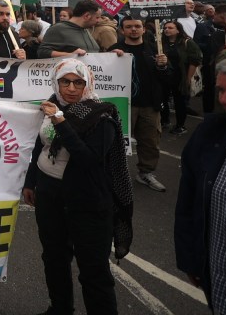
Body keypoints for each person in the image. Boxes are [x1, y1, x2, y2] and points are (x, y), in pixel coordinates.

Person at [22, 59, 133, 315]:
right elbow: (40, 145)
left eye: (78, 82)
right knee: (54, 258)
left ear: (88, 84)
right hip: (50, 195)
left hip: (87, 200)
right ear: (56, 82)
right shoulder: (52, 106)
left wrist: (61, 122)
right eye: (65, 81)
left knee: (93, 270)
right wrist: (31, 182)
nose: (71, 88)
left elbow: (89, 160)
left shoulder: (101, 116)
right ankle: (60, 308)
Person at [174, 55, 226, 314]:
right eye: (221, 90)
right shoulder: (211, 132)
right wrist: (191, 259)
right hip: (220, 275)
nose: (224, 100)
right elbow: (189, 201)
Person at [111, 18, 169, 192]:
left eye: (137, 26)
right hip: (122, 104)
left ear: (144, 29)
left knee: (150, 141)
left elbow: (167, 80)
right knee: (115, 142)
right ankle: (112, 174)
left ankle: (146, 173)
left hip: (149, 105)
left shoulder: (155, 51)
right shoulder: (114, 50)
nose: (133, 30)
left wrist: (163, 67)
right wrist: (110, 59)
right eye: (129, 27)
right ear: (122, 30)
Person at [161, 20, 203, 135]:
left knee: (180, 102)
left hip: (180, 76)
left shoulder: (187, 42)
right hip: (165, 76)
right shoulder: (161, 43)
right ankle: (164, 120)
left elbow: (194, 61)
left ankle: (180, 125)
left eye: (170, 28)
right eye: (165, 28)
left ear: (178, 30)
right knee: (163, 99)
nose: (167, 30)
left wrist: (188, 79)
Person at [37, 0, 105, 58]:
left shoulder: (85, 29)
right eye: (97, 17)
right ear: (87, 16)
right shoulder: (58, 29)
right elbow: (42, 52)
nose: (99, 21)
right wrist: (70, 55)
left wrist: (111, 55)